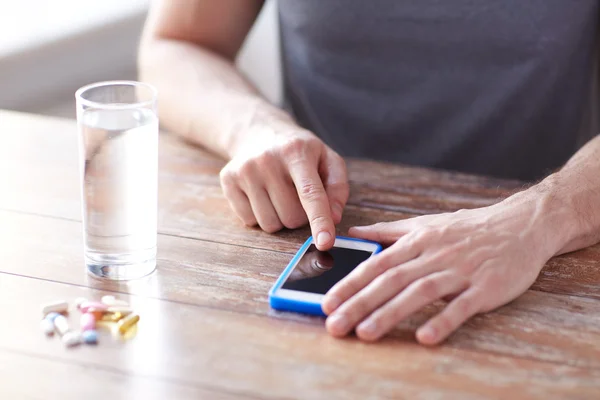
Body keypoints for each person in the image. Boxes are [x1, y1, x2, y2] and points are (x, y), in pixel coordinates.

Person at [138, 0, 600, 345]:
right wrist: (253, 127)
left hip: (547, 252)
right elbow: (177, 43)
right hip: (311, 227)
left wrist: (543, 217)